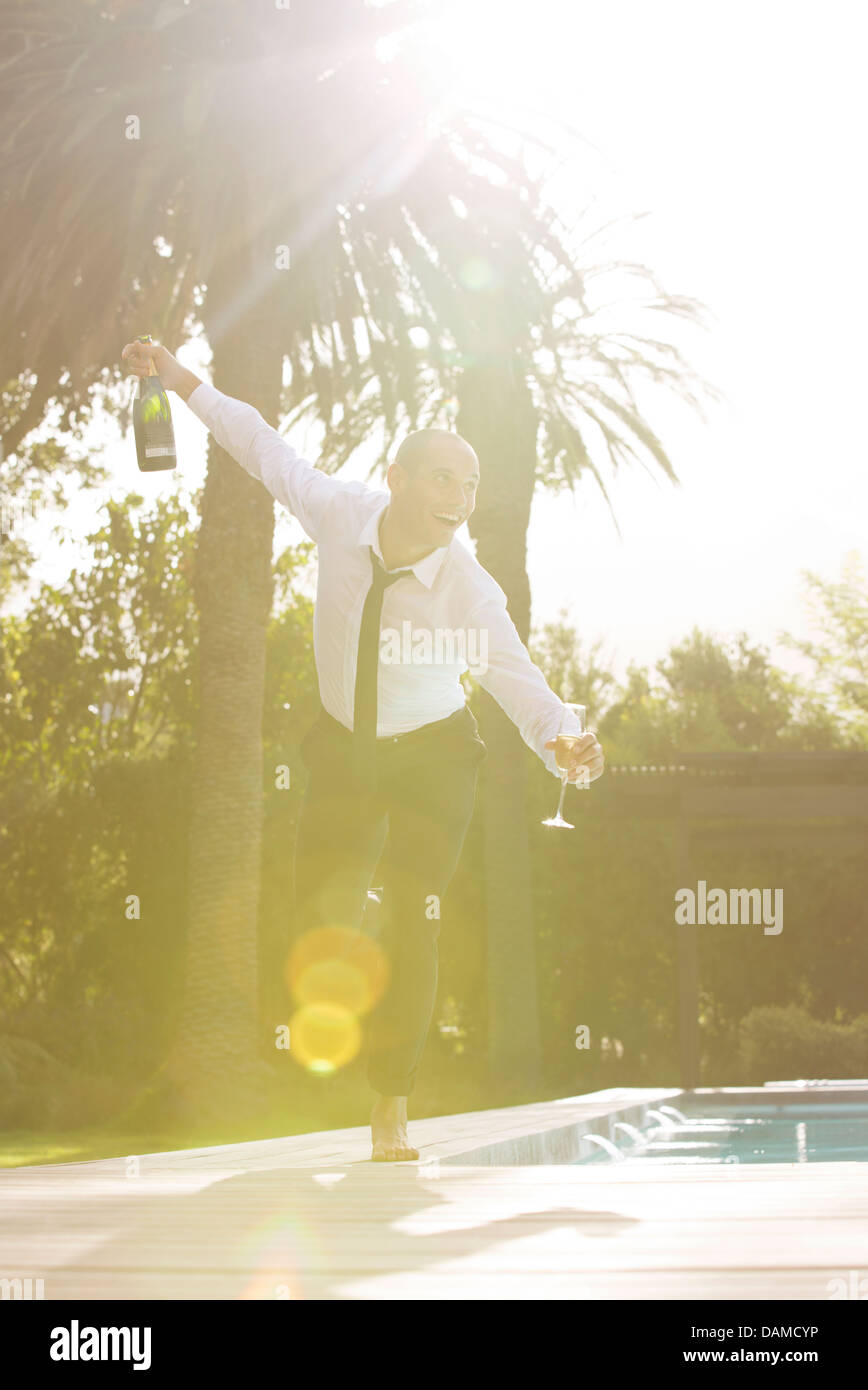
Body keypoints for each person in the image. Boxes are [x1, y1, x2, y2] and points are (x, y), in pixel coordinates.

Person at [122, 340, 605, 1160]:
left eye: (471, 484)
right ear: (400, 478)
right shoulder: (339, 512)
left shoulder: (468, 588)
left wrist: (562, 736)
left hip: (434, 757)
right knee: (321, 916)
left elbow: (514, 676)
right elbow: (260, 443)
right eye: (443, 478)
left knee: (416, 921)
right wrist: (175, 377)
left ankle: (392, 1107)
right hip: (346, 750)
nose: (459, 498)